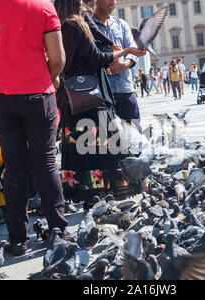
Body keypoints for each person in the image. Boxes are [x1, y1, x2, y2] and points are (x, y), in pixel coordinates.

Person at [0, 0, 68, 255]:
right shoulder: (43, 7)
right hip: (37, 94)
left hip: (0, 96)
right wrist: (47, 76)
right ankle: (58, 230)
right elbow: (58, 58)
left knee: (14, 165)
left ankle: (18, 238)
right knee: (45, 162)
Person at [53, 0, 145, 210]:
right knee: (107, 145)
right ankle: (105, 192)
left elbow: (93, 31)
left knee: (82, 150)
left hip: (71, 100)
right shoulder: (74, 25)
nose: (86, 5)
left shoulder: (60, 26)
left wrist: (109, 42)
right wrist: (124, 51)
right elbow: (98, 59)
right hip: (90, 98)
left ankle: (90, 196)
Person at [93, 0, 144, 132]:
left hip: (125, 89)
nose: (112, 2)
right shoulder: (88, 25)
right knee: (107, 142)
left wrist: (124, 65)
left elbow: (132, 49)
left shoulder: (121, 24)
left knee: (134, 136)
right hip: (101, 94)